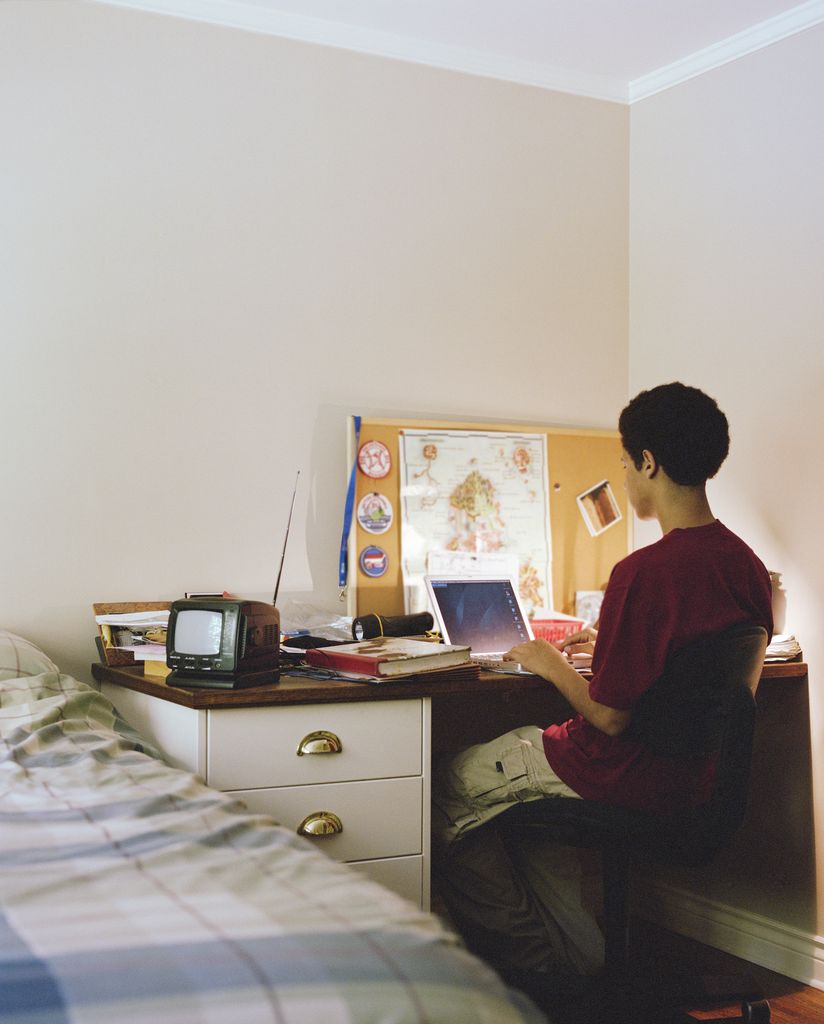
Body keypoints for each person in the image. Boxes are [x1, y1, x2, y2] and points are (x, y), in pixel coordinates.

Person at [431, 382, 773, 978]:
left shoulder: (643, 572)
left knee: (444, 791)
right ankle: (578, 969)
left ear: (648, 461)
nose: (625, 473)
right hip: (696, 784)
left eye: (624, 461)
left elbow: (612, 717)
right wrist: (609, 644)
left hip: (613, 771)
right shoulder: (745, 565)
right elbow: (698, 673)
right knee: (534, 826)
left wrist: (551, 661)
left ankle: (534, 969)